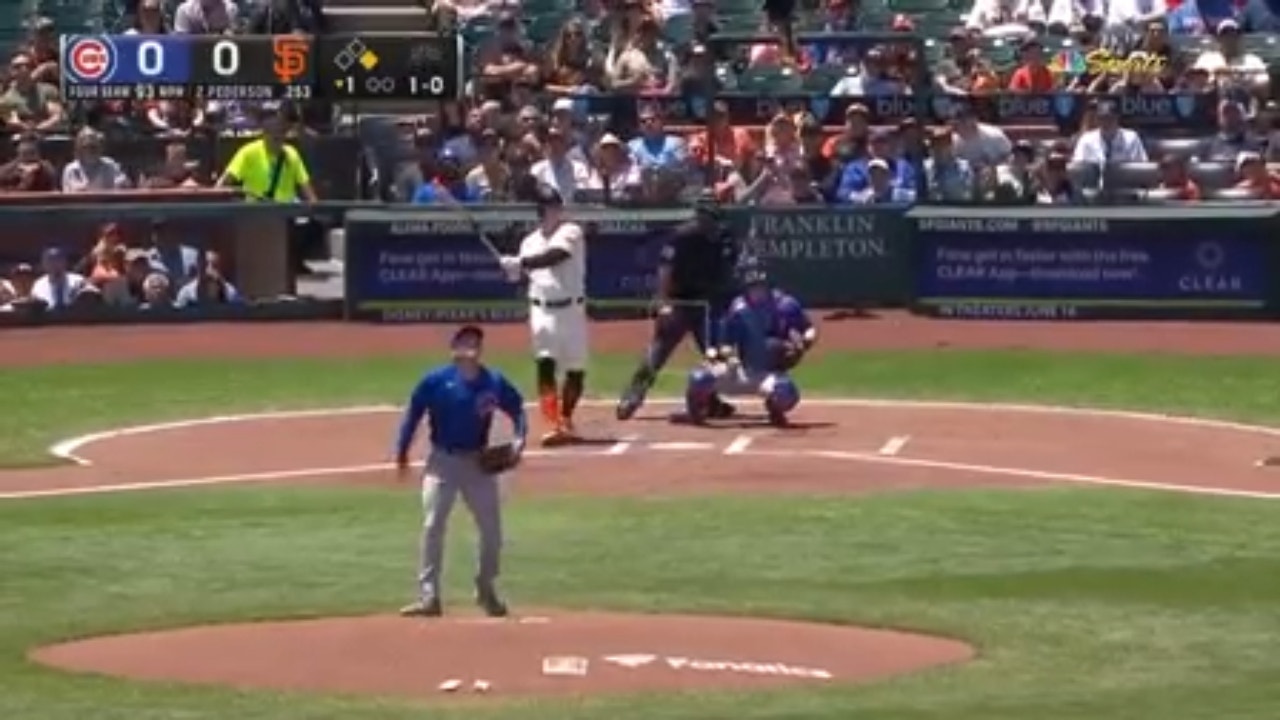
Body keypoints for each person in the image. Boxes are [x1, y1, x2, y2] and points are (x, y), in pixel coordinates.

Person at [394, 325, 528, 618]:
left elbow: (518, 408)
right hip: (442, 462)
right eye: (464, 342)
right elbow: (414, 414)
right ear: (453, 348)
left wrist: (520, 438)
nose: (470, 347)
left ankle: (485, 589)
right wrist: (402, 450)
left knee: (492, 531)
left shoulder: (493, 382)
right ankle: (429, 597)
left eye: (475, 342)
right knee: (432, 525)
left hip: (478, 464)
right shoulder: (436, 381)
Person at [615, 193, 742, 421]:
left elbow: (727, 270)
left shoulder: (722, 237)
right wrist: (665, 303)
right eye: (706, 218)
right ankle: (632, 397)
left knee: (716, 356)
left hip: (705, 304)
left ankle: (709, 401)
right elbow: (666, 270)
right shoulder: (682, 237)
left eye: (713, 219)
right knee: (658, 352)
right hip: (680, 302)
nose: (709, 224)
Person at [496, 185, 589, 446]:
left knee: (575, 369)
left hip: (572, 309)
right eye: (550, 208)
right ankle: (553, 422)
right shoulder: (529, 242)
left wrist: (521, 262)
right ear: (540, 210)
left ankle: (567, 417)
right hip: (542, 309)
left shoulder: (571, 231)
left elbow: (556, 256)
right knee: (545, 364)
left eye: (557, 207)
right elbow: (517, 277)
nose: (555, 212)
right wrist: (508, 267)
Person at [680, 263, 817, 427]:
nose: (756, 292)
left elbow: (809, 328)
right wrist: (729, 357)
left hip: (767, 373)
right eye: (752, 288)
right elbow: (725, 343)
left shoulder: (786, 305)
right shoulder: (738, 308)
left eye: (760, 287)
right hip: (739, 370)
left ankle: (774, 409)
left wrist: (805, 342)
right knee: (700, 378)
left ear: (768, 287)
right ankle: (695, 412)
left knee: (786, 393)